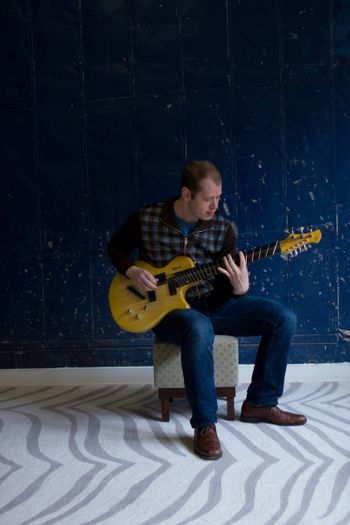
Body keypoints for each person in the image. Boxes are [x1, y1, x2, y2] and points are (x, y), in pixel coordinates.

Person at [107, 160, 306, 460]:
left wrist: (240, 288)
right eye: (208, 199)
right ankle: (205, 425)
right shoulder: (147, 218)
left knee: (283, 319)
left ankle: (260, 403)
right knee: (198, 326)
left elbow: (226, 288)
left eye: (218, 198)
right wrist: (132, 270)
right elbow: (115, 248)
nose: (215, 206)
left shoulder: (222, 229)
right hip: (167, 312)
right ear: (186, 194)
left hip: (213, 305)